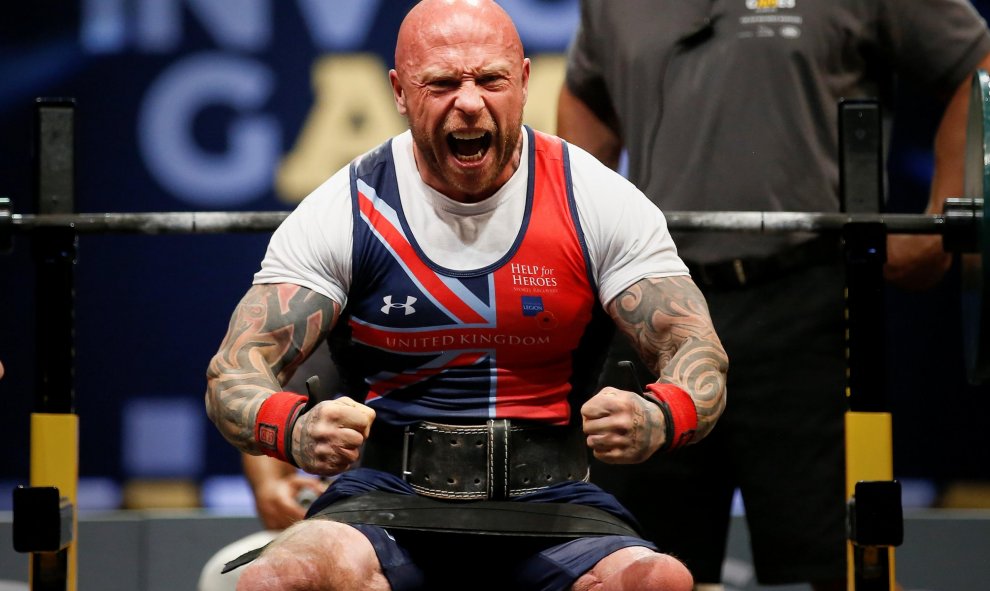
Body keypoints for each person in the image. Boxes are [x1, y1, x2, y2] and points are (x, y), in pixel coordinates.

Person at [204, 1, 729, 589]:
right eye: (444, 83)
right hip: (385, 502)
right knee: (274, 581)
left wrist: (661, 415)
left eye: (491, 79)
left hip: (554, 500)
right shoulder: (343, 210)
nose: (471, 102)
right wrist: (293, 429)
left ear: (525, 81)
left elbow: (698, 352)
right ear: (400, 92)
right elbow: (232, 377)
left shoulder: (598, 200)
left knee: (661, 583)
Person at [556, 2, 990, 590]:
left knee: (825, 564)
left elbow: (975, 66)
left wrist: (945, 212)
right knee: (641, 565)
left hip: (807, 308)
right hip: (654, 311)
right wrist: (582, 237)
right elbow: (586, 92)